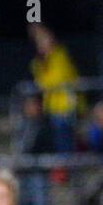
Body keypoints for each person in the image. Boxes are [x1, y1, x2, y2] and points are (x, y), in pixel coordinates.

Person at [29, 24, 83, 153]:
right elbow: (39, 83)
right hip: (52, 108)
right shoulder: (38, 63)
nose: (43, 44)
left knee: (65, 141)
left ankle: (67, 168)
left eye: (45, 40)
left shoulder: (60, 56)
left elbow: (56, 80)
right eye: (39, 41)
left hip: (67, 107)